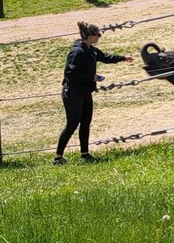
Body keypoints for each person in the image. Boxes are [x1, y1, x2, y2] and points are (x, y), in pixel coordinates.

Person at [54, 21, 128, 164]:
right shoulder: (77, 52)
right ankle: (58, 157)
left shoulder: (91, 50)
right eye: (98, 35)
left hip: (85, 91)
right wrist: (91, 77)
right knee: (72, 124)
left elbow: (105, 57)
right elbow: (70, 74)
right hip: (73, 93)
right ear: (90, 36)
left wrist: (123, 58)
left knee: (86, 123)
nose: (99, 37)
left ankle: (85, 154)